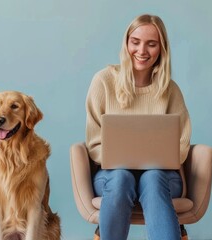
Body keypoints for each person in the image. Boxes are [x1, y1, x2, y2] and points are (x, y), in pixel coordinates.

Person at [85, 14, 191, 240]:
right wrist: (122, 160)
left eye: (151, 44)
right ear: (126, 43)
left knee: (152, 178)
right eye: (135, 42)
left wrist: (156, 161)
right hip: (111, 174)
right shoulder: (103, 81)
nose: (142, 50)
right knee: (122, 177)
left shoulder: (170, 90)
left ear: (161, 49)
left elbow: (182, 142)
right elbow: (94, 143)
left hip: (162, 176)